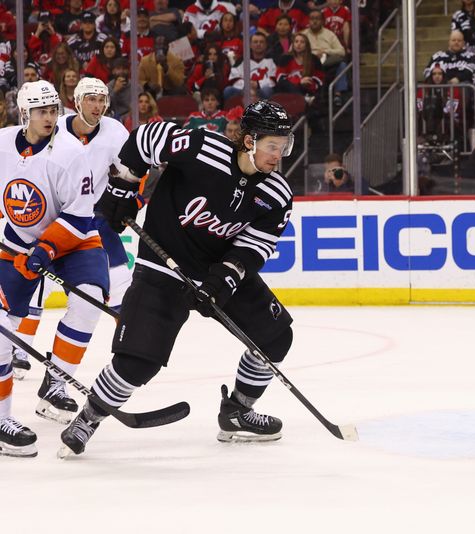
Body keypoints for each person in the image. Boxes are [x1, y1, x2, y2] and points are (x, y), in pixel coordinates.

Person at [60, 100, 297, 456]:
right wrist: (123, 187)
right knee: (138, 361)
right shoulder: (202, 147)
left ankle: (237, 411)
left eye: (284, 146)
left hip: (217, 269)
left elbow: (253, 248)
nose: (278, 155)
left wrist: (223, 280)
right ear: (249, 140)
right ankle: (89, 417)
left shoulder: (276, 195)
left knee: (276, 337)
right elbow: (144, 140)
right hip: (162, 265)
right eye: (272, 145)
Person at [0, 81, 102, 456]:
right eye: (41, 111)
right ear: (24, 114)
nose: (49, 118)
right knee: (0, 330)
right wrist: (30, 246)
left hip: (73, 240)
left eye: (54, 111)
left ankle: (55, 385)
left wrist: (45, 249)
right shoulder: (1, 143)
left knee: (90, 300)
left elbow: (80, 214)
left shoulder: (72, 153)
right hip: (18, 240)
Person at [12, 78, 131, 382]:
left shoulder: (113, 132)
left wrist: (129, 197)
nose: (98, 106)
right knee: (34, 284)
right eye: (91, 99)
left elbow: (132, 169)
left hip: (89, 217)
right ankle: (19, 351)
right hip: (45, 219)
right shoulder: (52, 132)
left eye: (102, 100)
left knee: (111, 278)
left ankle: (124, 340)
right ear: (77, 102)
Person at [274, 33, 324, 100]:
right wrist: (299, 82)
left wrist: (308, 83)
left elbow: (319, 79)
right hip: (287, 91)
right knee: (286, 85)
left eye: (302, 42)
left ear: (306, 45)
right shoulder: (285, 58)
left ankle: (304, 99)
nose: (298, 44)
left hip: (307, 89)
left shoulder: (314, 59)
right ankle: (303, 99)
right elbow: (280, 78)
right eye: (296, 41)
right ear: (293, 44)